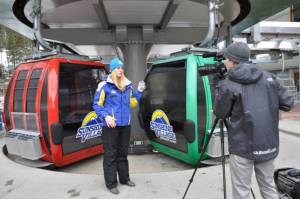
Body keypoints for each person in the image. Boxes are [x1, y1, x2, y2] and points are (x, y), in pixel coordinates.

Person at [213, 42, 294, 199]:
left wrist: (220, 88)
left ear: (232, 60)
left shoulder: (228, 83)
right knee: (269, 186)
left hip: (242, 147)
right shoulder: (270, 78)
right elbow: (288, 103)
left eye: (226, 59)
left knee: (242, 191)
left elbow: (220, 113)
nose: (224, 62)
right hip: (268, 144)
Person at [93, 57, 146, 195]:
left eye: (122, 68)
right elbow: (96, 105)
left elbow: (133, 101)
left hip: (125, 125)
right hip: (110, 126)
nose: (121, 70)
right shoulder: (104, 85)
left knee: (123, 153)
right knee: (110, 154)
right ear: (112, 70)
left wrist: (139, 91)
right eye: (118, 67)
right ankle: (111, 184)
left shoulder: (127, 85)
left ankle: (124, 179)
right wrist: (106, 116)